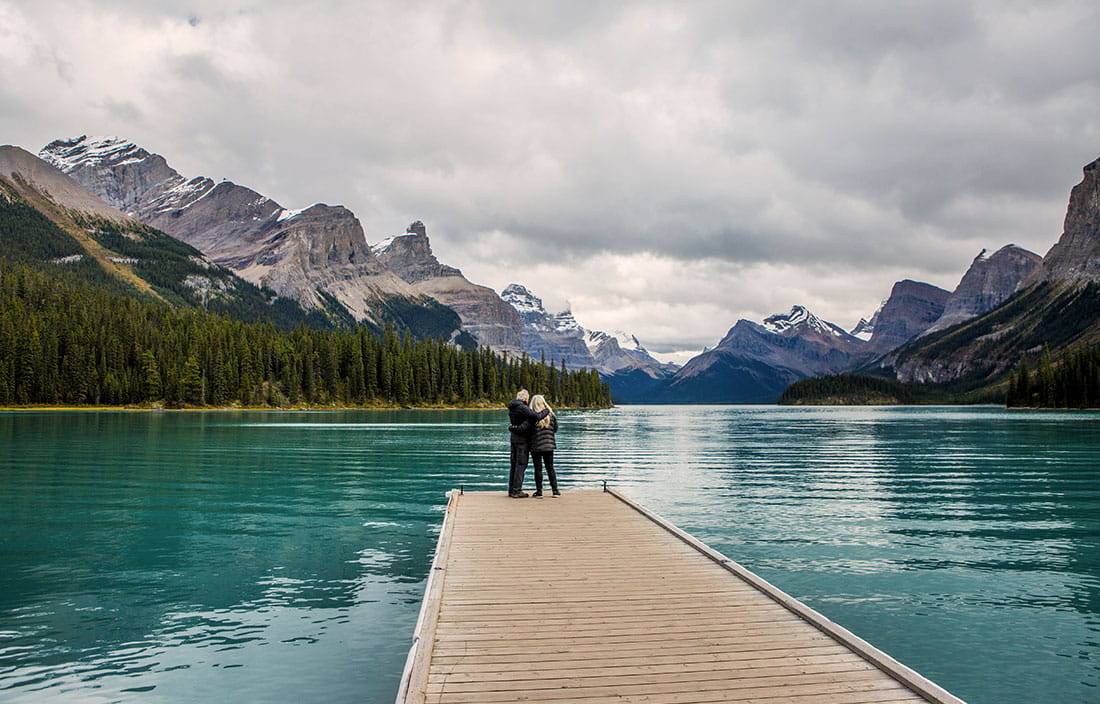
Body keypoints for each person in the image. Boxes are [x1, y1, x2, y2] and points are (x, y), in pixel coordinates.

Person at [506, 389, 548, 498]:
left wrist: (512, 428)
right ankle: (517, 490)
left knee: (514, 465)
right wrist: (546, 410)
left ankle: (511, 490)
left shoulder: (512, 407)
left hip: (514, 439)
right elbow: (536, 416)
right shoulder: (522, 407)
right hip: (522, 441)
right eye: (527, 399)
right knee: (521, 465)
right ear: (525, 398)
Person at [528, 395, 559, 497]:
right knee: (550, 468)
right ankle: (555, 491)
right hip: (549, 445)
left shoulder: (532, 416)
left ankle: (539, 491)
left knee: (538, 469)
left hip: (536, 446)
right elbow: (555, 429)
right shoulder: (551, 415)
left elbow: (529, 431)